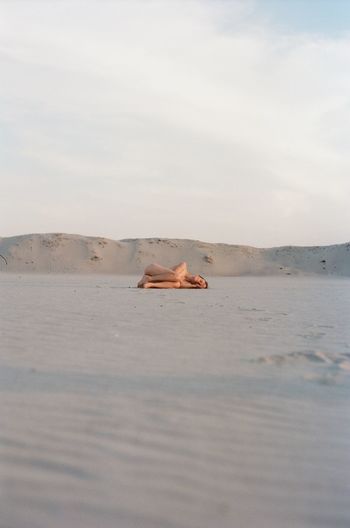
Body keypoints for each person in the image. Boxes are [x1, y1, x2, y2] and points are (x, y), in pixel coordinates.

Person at [137, 262, 208, 289]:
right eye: (201, 281)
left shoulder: (183, 283)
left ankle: (149, 284)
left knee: (177, 284)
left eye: (199, 284)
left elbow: (179, 284)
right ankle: (149, 279)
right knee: (176, 277)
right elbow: (173, 275)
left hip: (153, 278)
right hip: (152, 269)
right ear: (198, 275)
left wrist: (194, 286)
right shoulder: (184, 266)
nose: (198, 282)